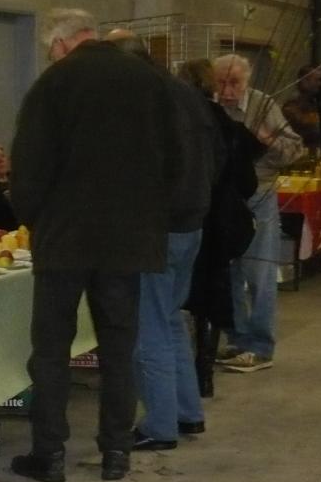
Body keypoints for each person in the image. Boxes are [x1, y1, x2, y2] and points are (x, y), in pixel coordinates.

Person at [9, 8, 176, 482]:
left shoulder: (54, 85)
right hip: (126, 240)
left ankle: (50, 454)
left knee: (51, 350)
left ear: (61, 44)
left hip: (65, 239)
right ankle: (116, 453)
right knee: (119, 348)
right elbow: (174, 155)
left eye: (50, 50)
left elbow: (31, 163)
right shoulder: (149, 81)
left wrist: (32, 217)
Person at [102, 29, 213, 452]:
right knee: (169, 319)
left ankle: (160, 425)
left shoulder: (138, 100)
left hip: (155, 228)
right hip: (191, 222)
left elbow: (134, 168)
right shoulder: (185, 93)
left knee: (146, 327)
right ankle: (187, 411)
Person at [211, 54, 304, 374]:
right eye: (221, 82)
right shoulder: (212, 106)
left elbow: (295, 150)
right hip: (224, 198)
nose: (227, 90)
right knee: (229, 271)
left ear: (247, 81)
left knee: (259, 272)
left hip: (259, 196)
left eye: (234, 82)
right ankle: (237, 340)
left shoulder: (263, 105)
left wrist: (267, 140)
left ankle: (261, 346)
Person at [179, 59, 259, 397]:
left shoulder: (178, 122)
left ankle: (183, 373)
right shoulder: (229, 126)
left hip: (184, 221)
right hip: (219, 226)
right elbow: (248, 182)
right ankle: (204, 374)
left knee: (179, 300)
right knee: (211, 298)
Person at [282, 65, 321, 153]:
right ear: (305, 81)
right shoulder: (293, 104)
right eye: (316, 80)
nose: (320, 84)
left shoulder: (315, 103)